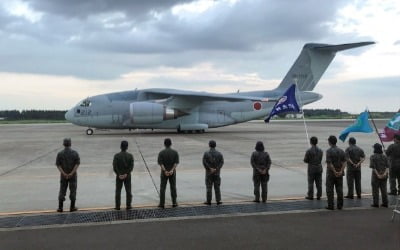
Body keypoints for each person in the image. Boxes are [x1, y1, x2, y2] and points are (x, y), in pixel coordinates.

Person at [55, 138, 80, 212]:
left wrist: (64, 173)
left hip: (63, 176)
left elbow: (58, 165)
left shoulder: (60, 154)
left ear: (63, 144)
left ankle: (60, 207)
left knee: (62, 190)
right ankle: (72, 207)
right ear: (70, 144)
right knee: (73, 191)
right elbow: (77, 164)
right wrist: (71, 173)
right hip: (73, 176)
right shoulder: (75, 153)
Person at [325, 135, 346, 210]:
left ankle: (331, 205)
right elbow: (344, 162)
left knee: (330, 190)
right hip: (340, 173)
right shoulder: (341, 151)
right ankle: (340, 205)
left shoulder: (329, 151)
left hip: (331, 173)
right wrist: (340, 171)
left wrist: (334, 171)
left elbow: (329, 163)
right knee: (339, 189)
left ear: (330, 142)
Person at [157, 138, 179, 208]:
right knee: (173, 187)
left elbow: (161, 163)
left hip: (164, 173)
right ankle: (174, 202)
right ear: (171, 144)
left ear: (164, 144)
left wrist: (165, 171)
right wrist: (172, 170)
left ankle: (162, 203)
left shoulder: (161, 153)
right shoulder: (175, 152)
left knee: (162, 188)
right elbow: (176, 163)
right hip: (172, 173)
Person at [113, 140, 134, 210]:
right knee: (128, 191)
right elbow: (131, 167)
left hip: (119, 176)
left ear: (120, 147)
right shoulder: (130, 156)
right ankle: (128, 205)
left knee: (118, 191)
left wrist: (119, 174)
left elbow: (115, 166)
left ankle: (117, 206)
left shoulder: (116, 156)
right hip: (127, 176)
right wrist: (126, 174)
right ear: (127, 147)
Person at [202, 140, 224, 205]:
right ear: (215, 145)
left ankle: (208, 201)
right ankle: (218, 200)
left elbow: (204, 162)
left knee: (209, 187)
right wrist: (216, 169)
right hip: (217, 173)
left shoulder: (206, 153)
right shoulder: (219, 153)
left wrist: (209, 168)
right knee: (217, 187)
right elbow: (222, 162)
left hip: (209, 173)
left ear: (209, 145)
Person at [370, 143, 389, 208]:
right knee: (384, 189)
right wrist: (384, 173)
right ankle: (385, 203)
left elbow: (373, 167)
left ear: (375, 149)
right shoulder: (385, 156)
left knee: (375, 190)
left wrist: (378, 174)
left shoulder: (373, 156)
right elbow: (387, 166)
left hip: (375, 176)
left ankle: (376, 203)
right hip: (384, 175)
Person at [303, 136, 323, 200]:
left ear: (311, 142)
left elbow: (305, 160)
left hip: (311, 168)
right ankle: (319, 195)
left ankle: (310, 195)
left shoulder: (309, 151)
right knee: (319, 183)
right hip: (319, 167)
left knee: (311, 183)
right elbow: (320, 159)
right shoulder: (321, 150)